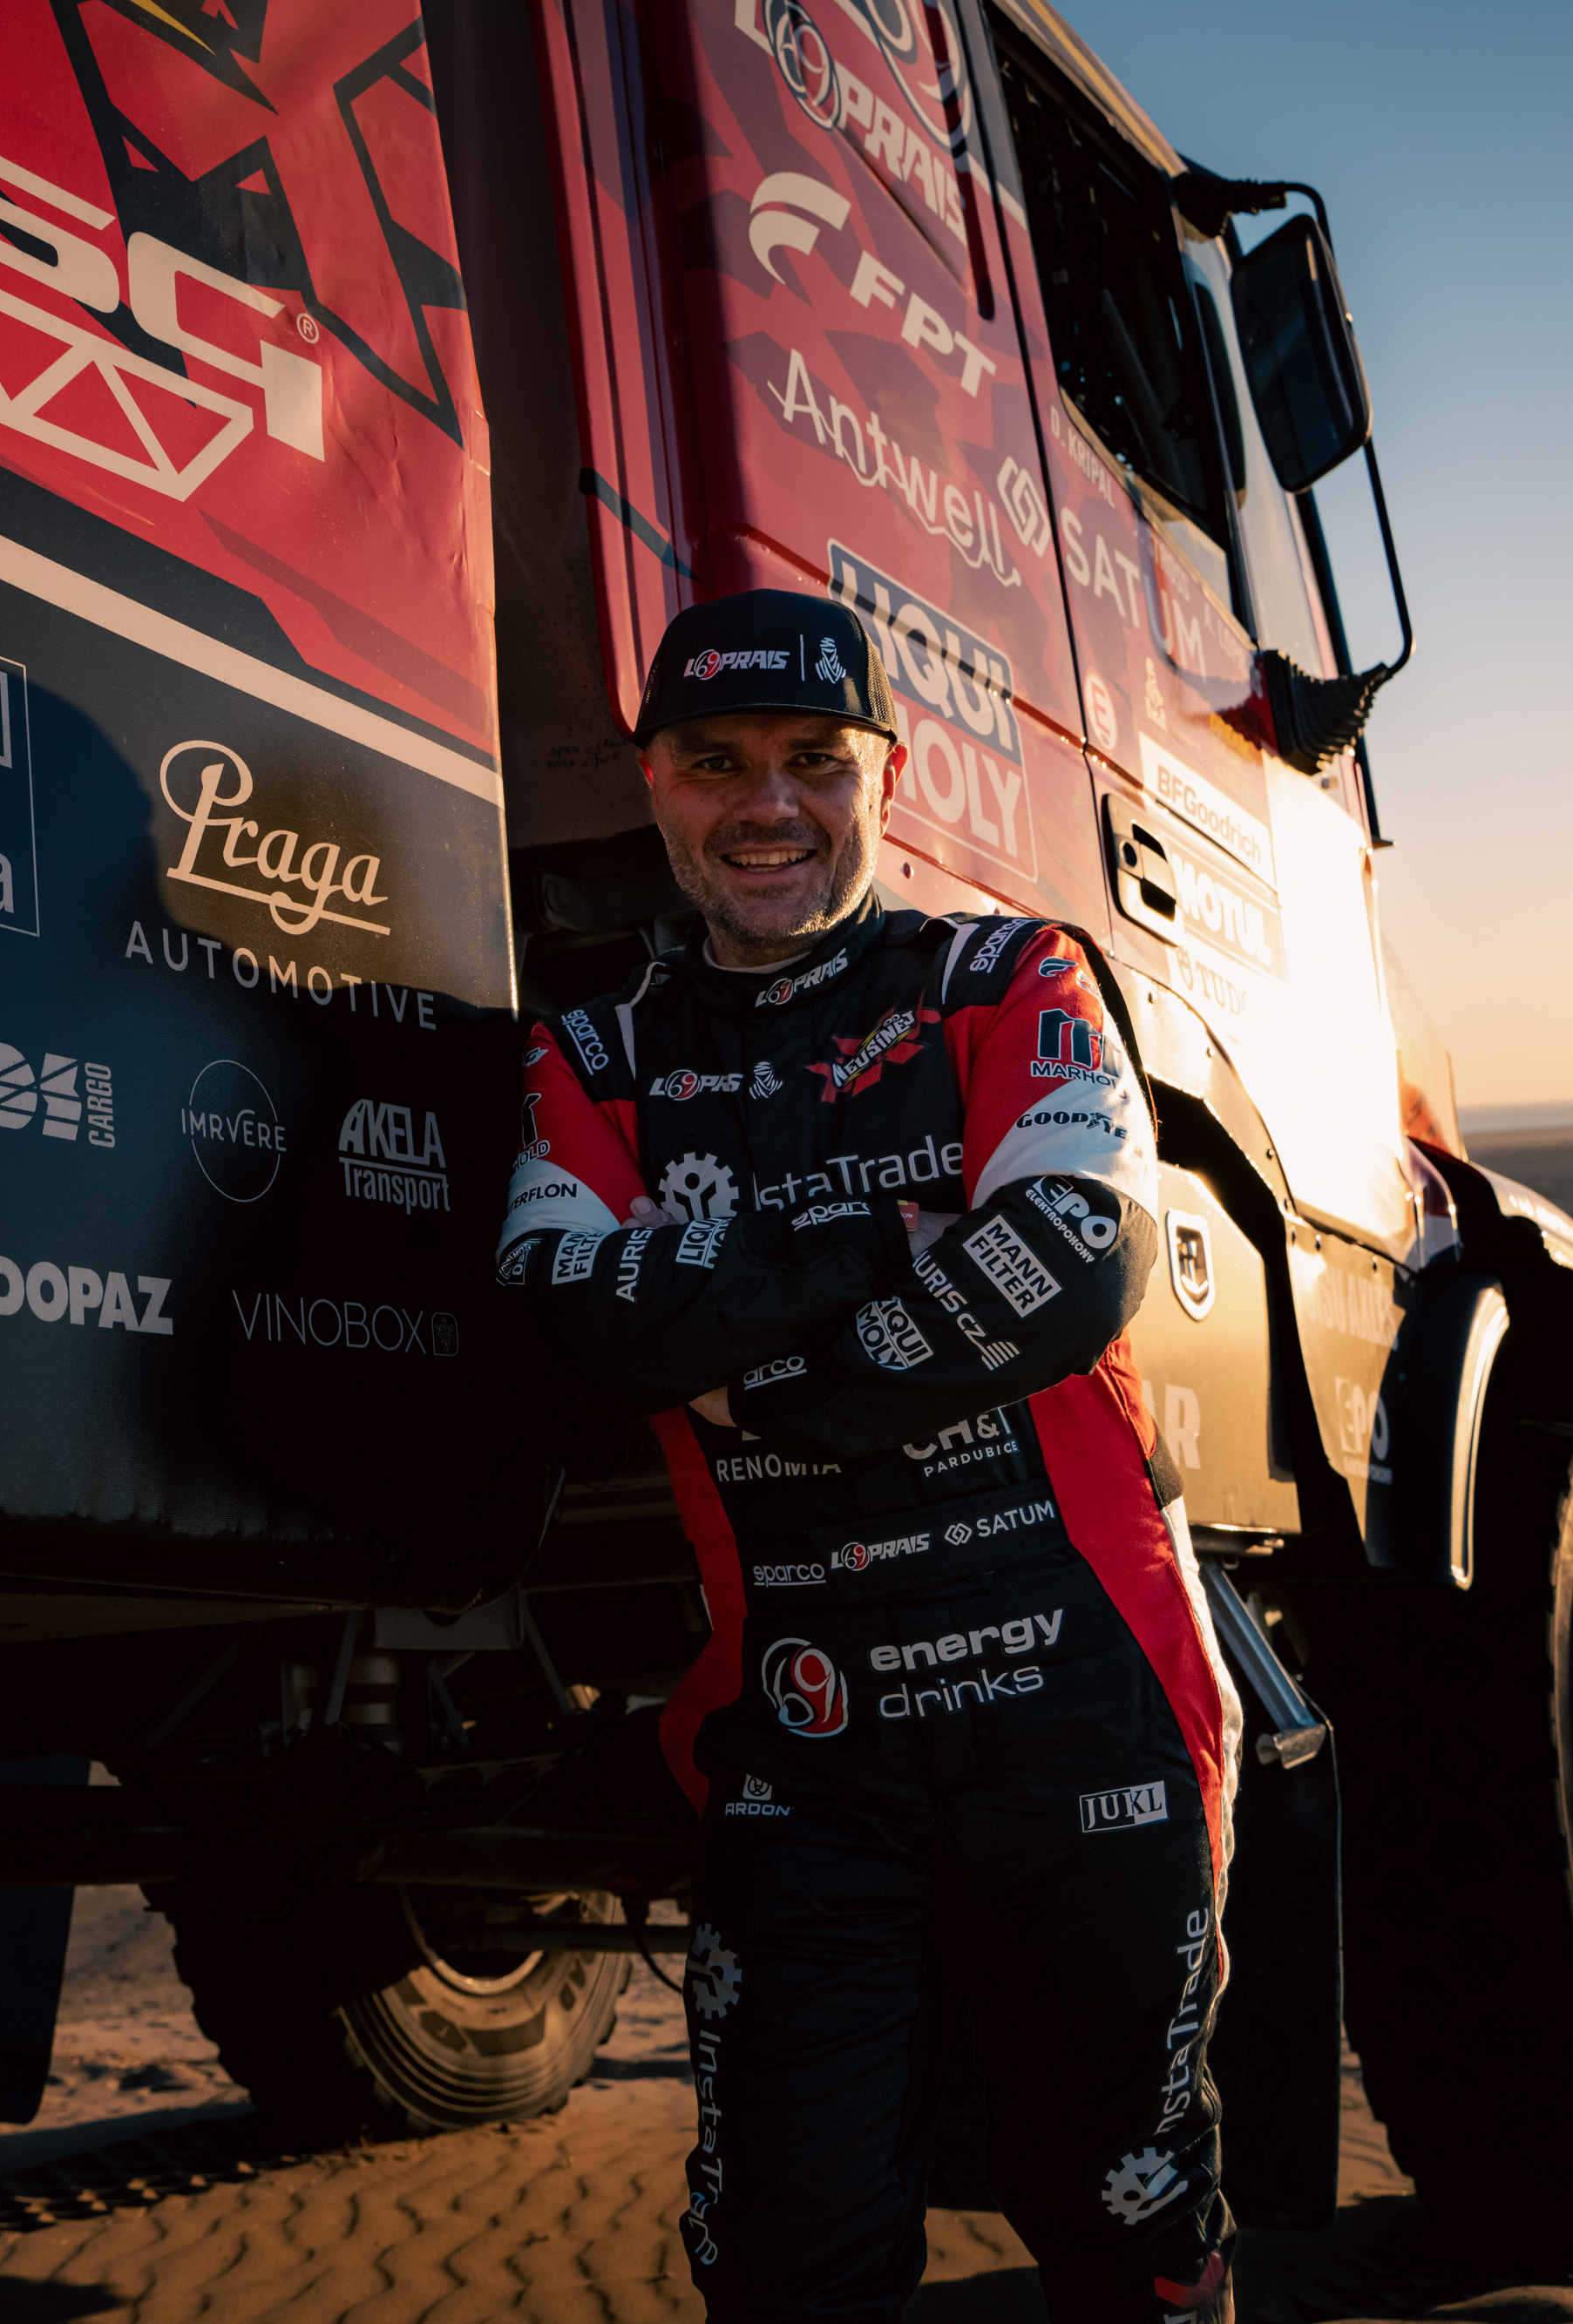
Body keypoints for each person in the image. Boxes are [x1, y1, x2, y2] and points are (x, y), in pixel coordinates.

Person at [496, 589, 1239, 2324]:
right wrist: (886, 1254)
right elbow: (565, 1324)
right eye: (715, 762)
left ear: (885, 776)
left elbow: (1071, 1253)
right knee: (784, 2263)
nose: (768, 803)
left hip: (1095, 1716)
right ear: (653, 785)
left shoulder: (1012, 974)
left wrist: (743, 1369)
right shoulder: (590, 1055)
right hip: (801, 1758)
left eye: (814, 760)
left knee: (1132, 2242)